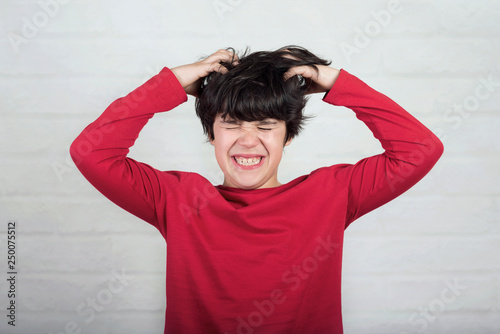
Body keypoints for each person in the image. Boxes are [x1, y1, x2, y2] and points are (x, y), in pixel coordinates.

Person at [70, 46, 443, 334]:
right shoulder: (177, 198)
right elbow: (91, 153)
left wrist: (338, 82)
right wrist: (170, 82)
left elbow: (420, 149)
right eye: (231, 124)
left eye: (266, 125)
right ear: (212, 133)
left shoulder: (331, 194)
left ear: (287, 137)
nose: (248, 141)